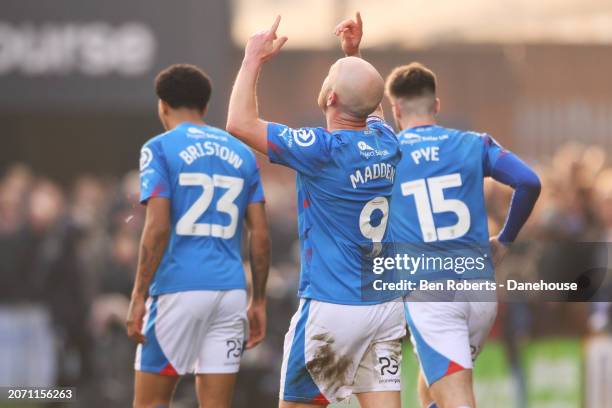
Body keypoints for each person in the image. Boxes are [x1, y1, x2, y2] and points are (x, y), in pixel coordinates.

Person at [336, 13, 541, 408]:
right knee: (435, 386)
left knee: (456, 398)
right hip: (479, 292)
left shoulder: (389, 152)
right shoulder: (472, 144)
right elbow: (529, 182)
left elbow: (364, 111)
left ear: (396, 110)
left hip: (430, 295)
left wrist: (354, 53)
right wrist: (507, 240)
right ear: (437, 104)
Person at [226, 15, 406, 408]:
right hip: (386, 307)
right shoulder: (386, 142)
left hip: (334, 309)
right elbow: (368, 106)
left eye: (331, 74)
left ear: (331, 99)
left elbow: (239, 123)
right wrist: (353, 56)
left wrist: (252, 59)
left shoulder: (322, 151)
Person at [125, 64, 271, 408]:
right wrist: (259, 300)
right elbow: (260, 235)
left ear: (162, 105)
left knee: (151, 403)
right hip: (231, 292)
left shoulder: (158, 148)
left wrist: (138, 294)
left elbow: (157, 226)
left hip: (179, 289)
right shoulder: (242, 154)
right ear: (205, 108)